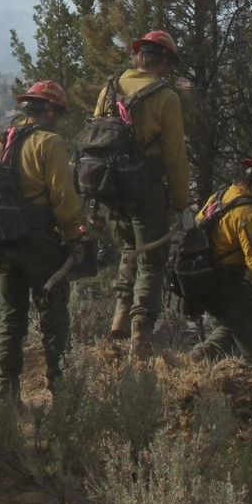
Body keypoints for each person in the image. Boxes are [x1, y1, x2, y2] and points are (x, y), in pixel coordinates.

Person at [0, 81, 89, 400]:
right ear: (48, 111)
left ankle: (5, 395)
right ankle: (61, 391)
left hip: (1, 242)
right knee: (54, 316)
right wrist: (74, 235)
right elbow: (62, 196)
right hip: (39, 242)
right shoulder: (50, 142)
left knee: (10, 318)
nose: (58, 120)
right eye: (57, 114)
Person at [94, 29, 189, 356]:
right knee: (151, 259)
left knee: (127, 250)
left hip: (111, 188)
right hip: (146, 187)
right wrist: (181, 202)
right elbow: (175, 154)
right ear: (162, 60)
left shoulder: (109, 88)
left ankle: (121, 313)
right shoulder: (166, 97)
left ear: (138, 56)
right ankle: (141, 335)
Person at [189, 154, 252, 364]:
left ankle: (199, 357)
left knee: (233, 323)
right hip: (227, 283)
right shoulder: (249, 212)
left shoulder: (222, 195)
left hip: (204, 279)